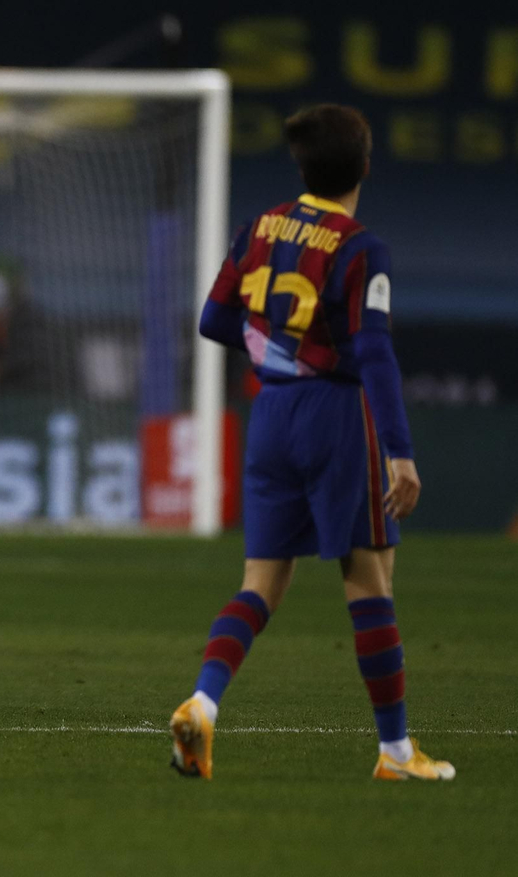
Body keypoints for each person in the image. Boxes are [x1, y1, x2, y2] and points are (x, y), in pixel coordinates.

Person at [171, 105, 451, 781]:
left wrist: (278, 351)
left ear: (302, 167)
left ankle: (203, 702)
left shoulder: (259, 228)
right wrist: (400, 448)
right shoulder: (360, 247)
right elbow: (374, 353)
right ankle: (394, 753)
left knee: (259, 582)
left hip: (270, 413)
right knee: (368, 577)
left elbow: (214, 318)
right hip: (334, 416)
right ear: (363, 166)